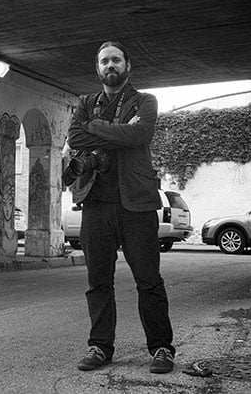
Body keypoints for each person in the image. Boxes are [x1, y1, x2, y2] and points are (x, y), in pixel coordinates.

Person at [65, 41, 175, 374]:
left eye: (115, 60)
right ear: (97, 69)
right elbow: (75, 138)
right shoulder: (85, 102)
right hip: (96, 203)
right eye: (104, 61)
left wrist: (95, 130)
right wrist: (117, 133)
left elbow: (139, 135)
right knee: (98, 281)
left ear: (128, 65)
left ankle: (161, 349)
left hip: (137, 204)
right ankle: (100, 346)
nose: (109, 65)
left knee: (148, 280)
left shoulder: (146, 101)